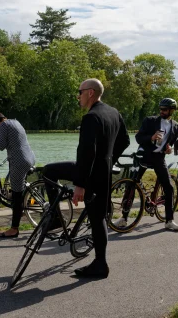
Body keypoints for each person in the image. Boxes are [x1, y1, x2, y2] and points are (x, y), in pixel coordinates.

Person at [43, 78, 129, 279]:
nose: (78, 96)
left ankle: (55, 217)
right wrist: (108, 159)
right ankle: (101, 263)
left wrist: (80, 185)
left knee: (48, 171)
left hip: (89, 172)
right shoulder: (113, 112)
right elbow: (124, 140)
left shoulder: (91, 117)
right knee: (98, 218)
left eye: (79, 92)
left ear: (90, 92)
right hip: (104, 172)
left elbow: (86, 152)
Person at [133, 98, 178, 231]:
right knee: (132, 184)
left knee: (169, 187)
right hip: (145, 154)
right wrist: (151, 137)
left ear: (172, 110)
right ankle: (124, 218)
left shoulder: (176, 126)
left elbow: (169, 144)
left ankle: (169, 220)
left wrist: (169, 148)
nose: (162, 111)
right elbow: (138, 138)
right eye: (160, 109)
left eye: (165, 109)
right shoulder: (149, 121)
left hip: (159, 157)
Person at [0, 113, 36, 238]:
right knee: (19, 190)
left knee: (16, 194)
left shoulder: (3, 125)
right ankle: (19, 210)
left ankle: (14, 229)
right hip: (29, 157)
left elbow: (1, 146)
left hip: (18, 161)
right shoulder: (15, 121)